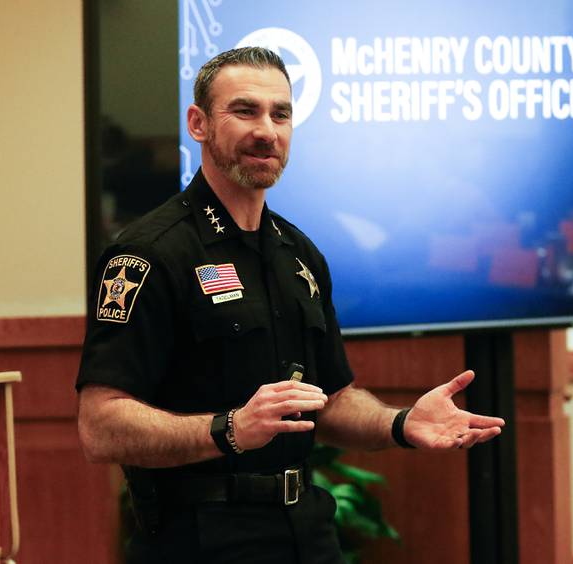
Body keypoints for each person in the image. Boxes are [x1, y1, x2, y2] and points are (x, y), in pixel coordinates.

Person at [76, 47, 505, 564]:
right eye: (244, 110)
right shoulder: (148, 254)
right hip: (198, 538)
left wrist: (400, 423)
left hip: (306, 529)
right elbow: (100, 427)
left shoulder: (298, 254)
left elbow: (332, 401)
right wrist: (230, 429)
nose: (267, 130)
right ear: (198, 123)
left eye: (280, 114)